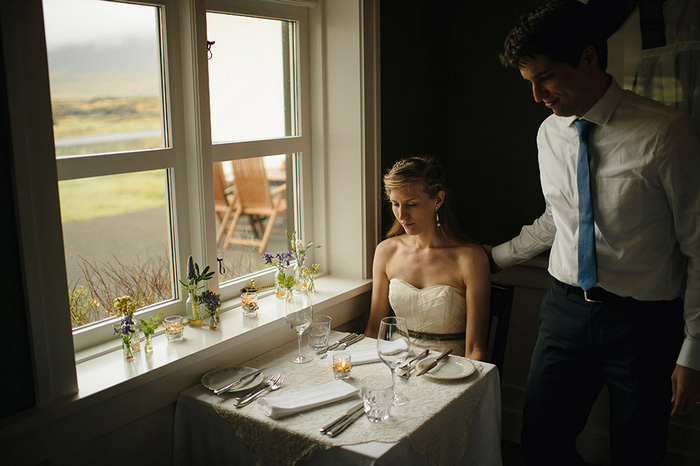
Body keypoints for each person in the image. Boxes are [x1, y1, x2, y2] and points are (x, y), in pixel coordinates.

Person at [484, 1, 700, 465]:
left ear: (587, 58)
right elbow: (558, 220)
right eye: (530, 83)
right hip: (563, 311)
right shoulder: (549, 134)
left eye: (545, 78)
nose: (538, 95)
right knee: (541, 440)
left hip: (644, 323)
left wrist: (694, 350)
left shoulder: (667, 133)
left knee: (638, 452)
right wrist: (496, 257)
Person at [364, 155, 491, 360]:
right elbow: (373, 331)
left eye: (411, 204)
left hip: (451, 368)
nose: (401, 215)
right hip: (397, 364)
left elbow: (476, 349)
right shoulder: (386, 251)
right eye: (395, 204)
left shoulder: (470, 258)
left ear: (438, 199)